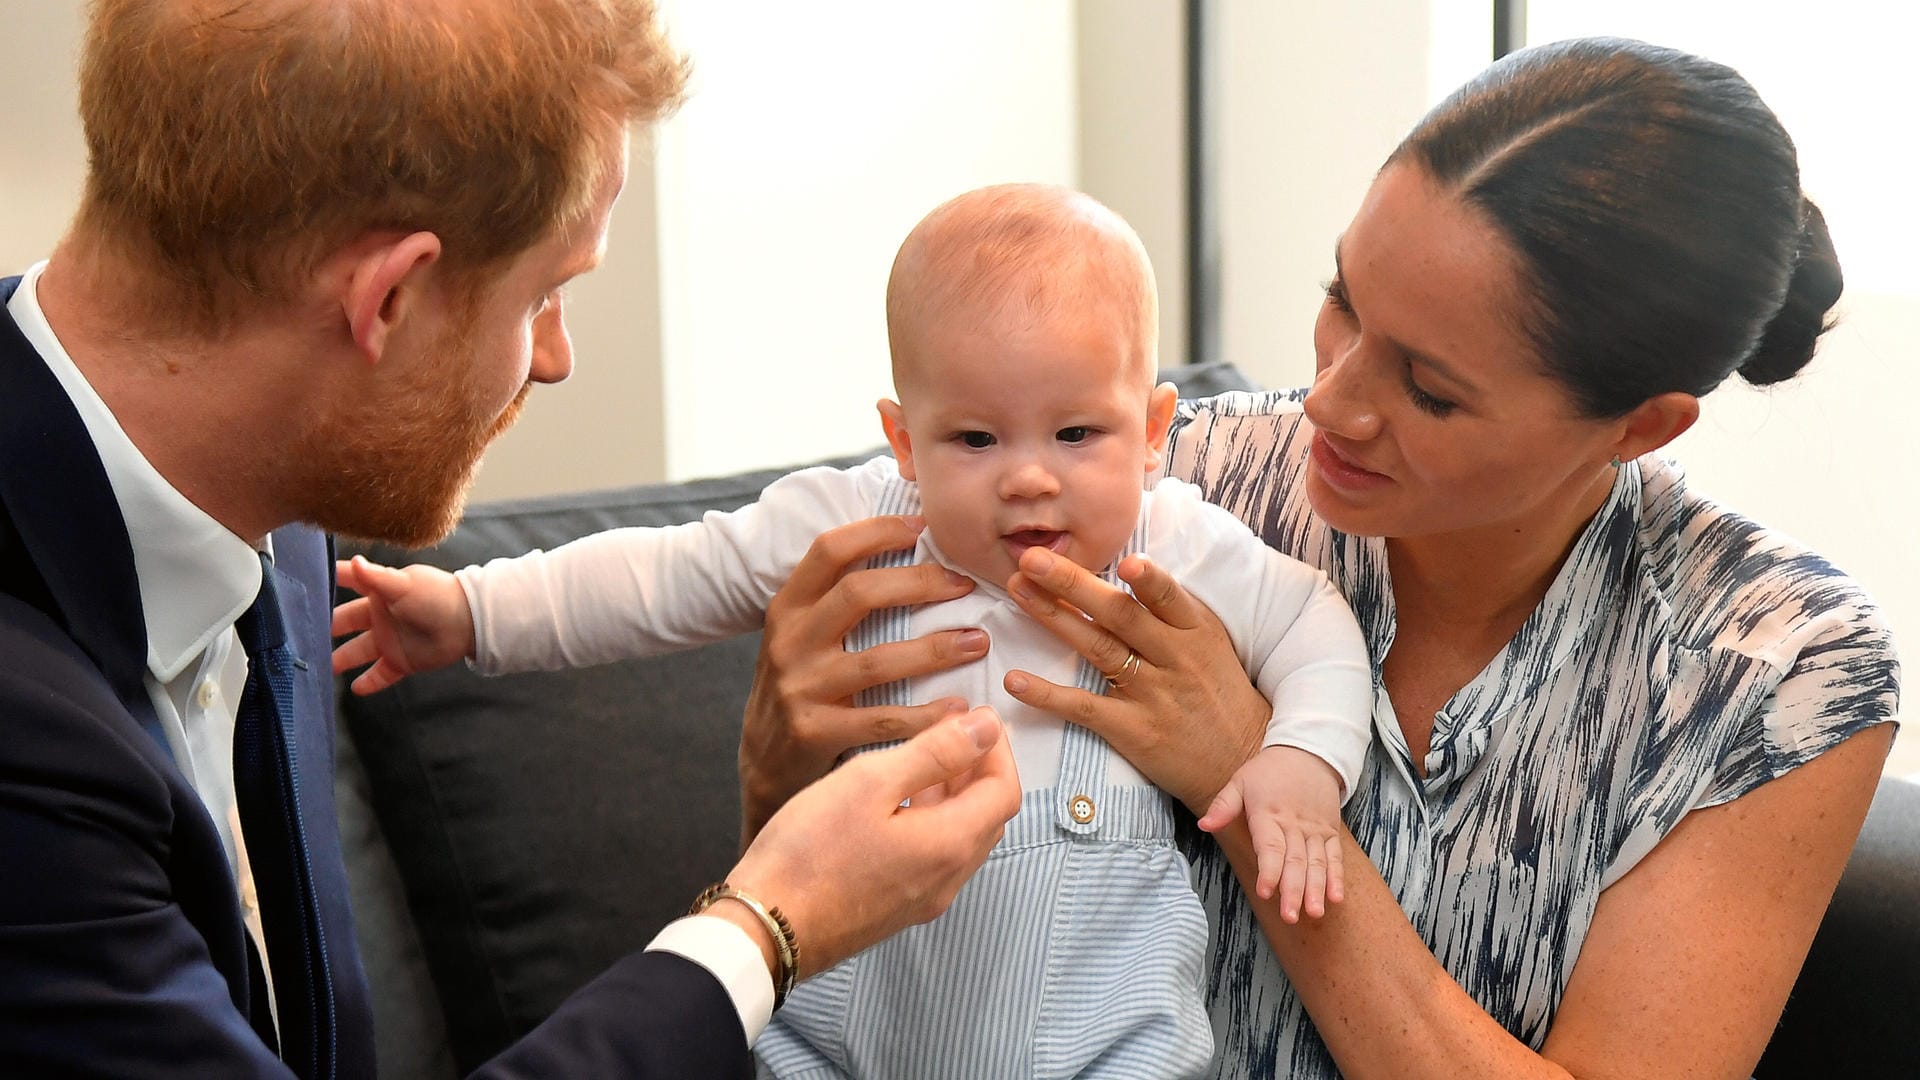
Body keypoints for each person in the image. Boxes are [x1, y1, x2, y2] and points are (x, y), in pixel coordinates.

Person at [740, 36, 1903, 1079]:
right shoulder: (1165, 481)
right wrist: (778, 766)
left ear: (1639, 426)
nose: (1331, 405)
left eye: (1430, 390)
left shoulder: (1773, 671)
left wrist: (1252, 786)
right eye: (1342, 302)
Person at [0, 2, 1020, 1077]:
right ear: (388, 298)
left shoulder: (276, 501)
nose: (555, 356)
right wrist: (770, 921)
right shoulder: (27, 740)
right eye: (548, 292)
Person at [329, 182, 1375, 1078]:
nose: (1027, 476)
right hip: (852, 1039)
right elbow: (665, 574)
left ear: (1151, 433)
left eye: (1077, 432)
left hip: (1108, 1043)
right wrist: (470, 613)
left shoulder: (1177, 545)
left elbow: (1315, 628)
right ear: (903, 441)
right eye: (972, 437)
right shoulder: (860, 523)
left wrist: (1296, 765)